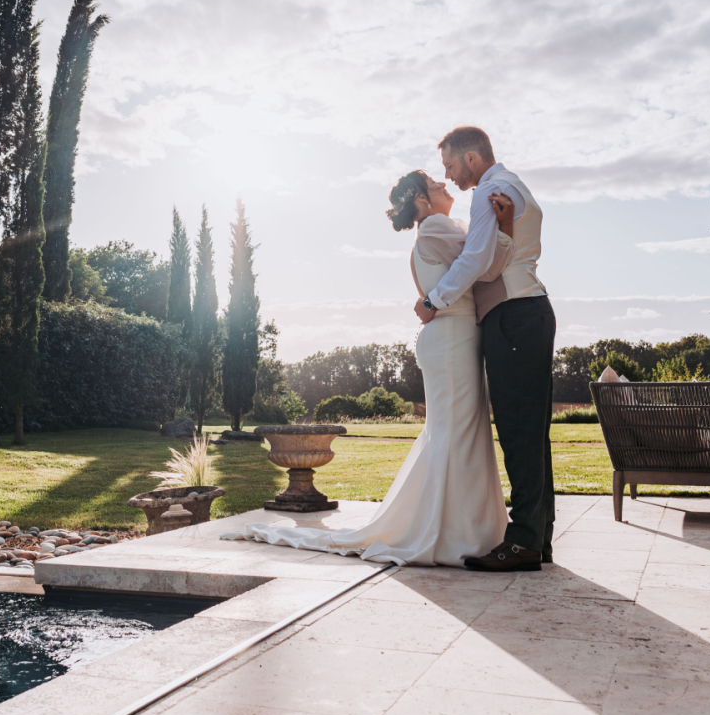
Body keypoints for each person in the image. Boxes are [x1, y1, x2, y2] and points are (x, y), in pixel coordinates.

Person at [219, 172, 516, 565]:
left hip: (452, 338)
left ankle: (458, 528)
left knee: (455, 432)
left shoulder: (440, 228)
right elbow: (485, 265)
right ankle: (453, 533)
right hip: (450, 341)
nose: (445, 184)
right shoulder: (437, 228)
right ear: (423, 201)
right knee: (456, 434)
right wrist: (506, 228)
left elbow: (480, 262)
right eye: (434, 182)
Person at [414, 125, 555, 572]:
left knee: (517, 428)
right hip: (528, 310)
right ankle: (538, 537)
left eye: (451, 166)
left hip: (512, 314)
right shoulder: (513, 185)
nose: (451, 176)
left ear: (472, 159)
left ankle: (524, 541)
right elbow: (495, 251)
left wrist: (433, 300)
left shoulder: (488, 190)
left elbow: (476, 259)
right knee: (531, 428)